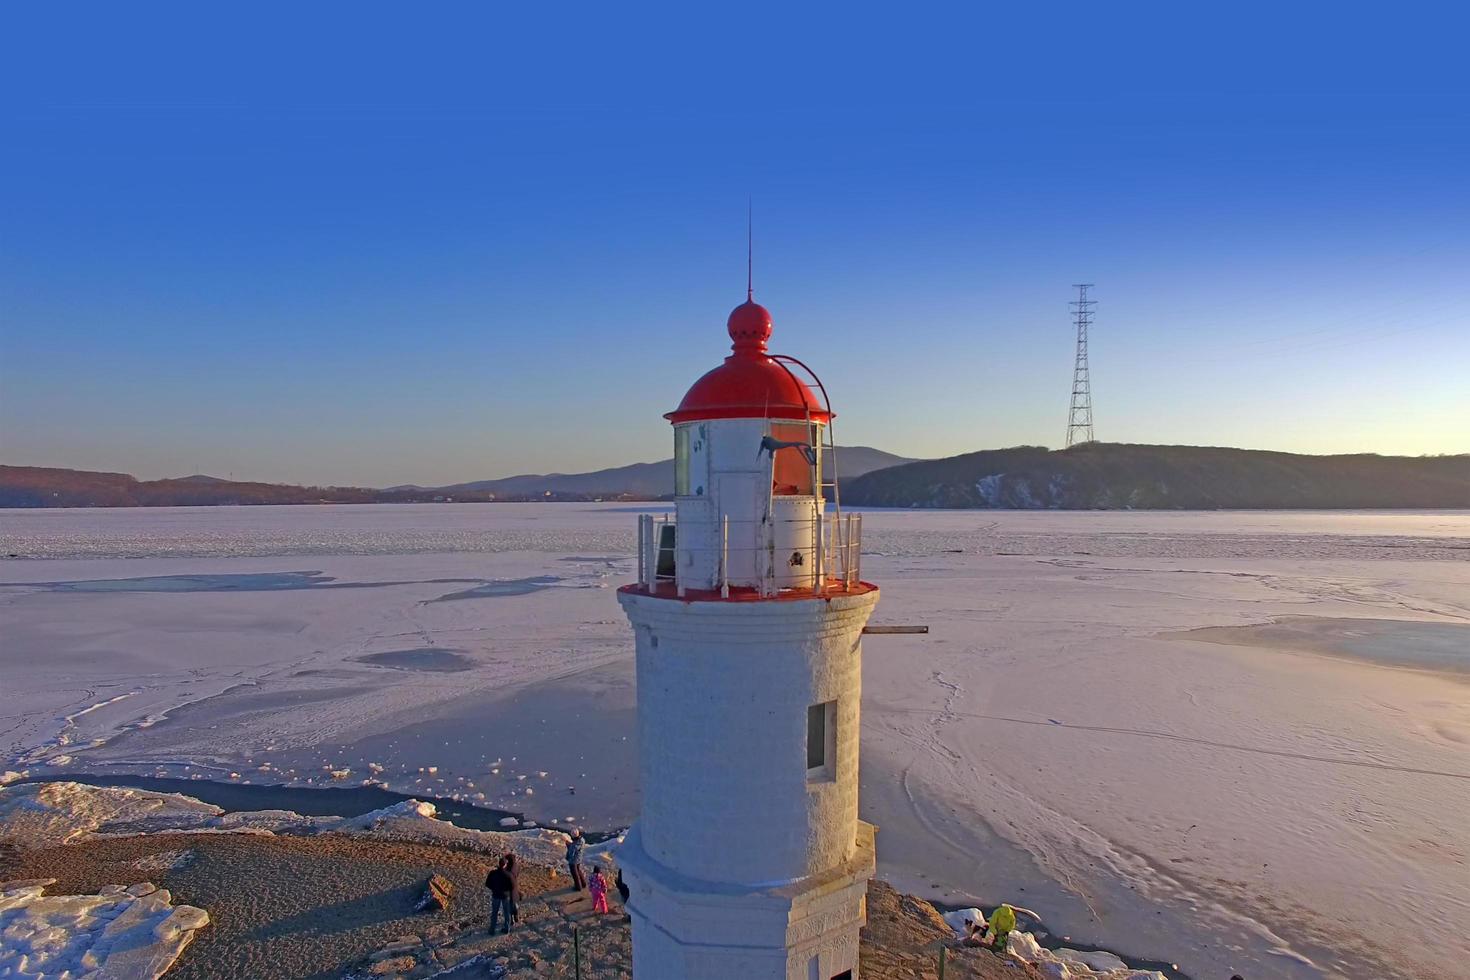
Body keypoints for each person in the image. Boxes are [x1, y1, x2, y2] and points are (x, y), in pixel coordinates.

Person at [485, 857, 516, 935]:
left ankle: (492, 930)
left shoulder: (492, 873)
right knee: (506, 913)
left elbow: (487, 884)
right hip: (505, 896)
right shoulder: (509, 875)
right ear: (505, 865)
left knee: (494, 913)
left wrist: (494, 888)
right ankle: (506, 928)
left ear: (499, 864)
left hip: (495, 895)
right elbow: (513, 886)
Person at [502, 852, 521, 926]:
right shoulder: (517, 866)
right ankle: (516, 916)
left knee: (509, 905)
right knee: (515, 904)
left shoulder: (507, 870)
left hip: (508, 889)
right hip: (515, 888)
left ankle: (512, 920)